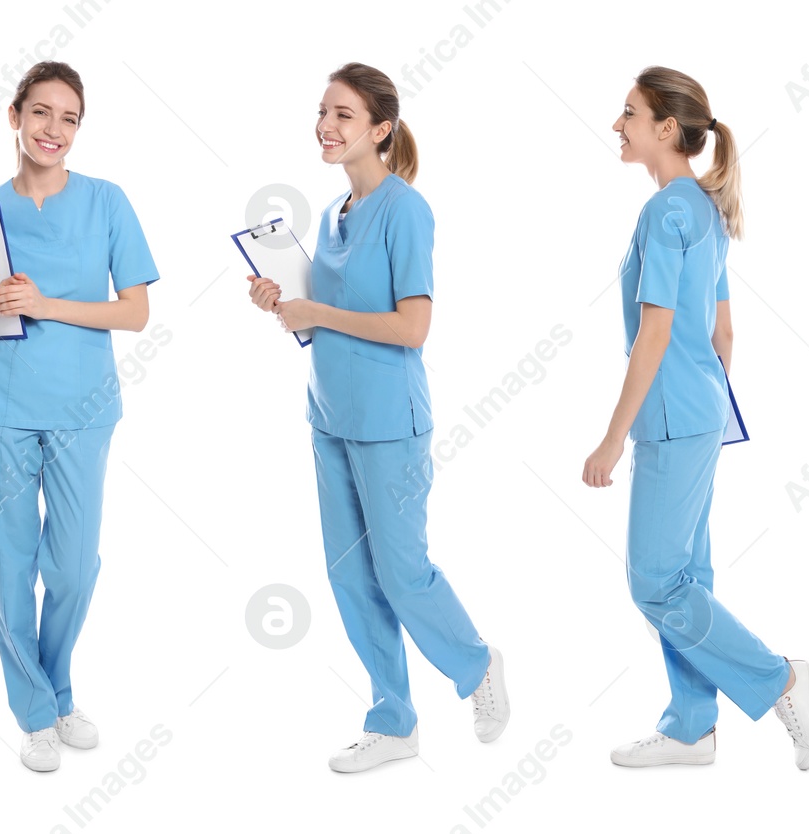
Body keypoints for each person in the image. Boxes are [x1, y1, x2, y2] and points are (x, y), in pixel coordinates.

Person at [246, 62, 509, 774]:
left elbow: (412, 327)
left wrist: (319, 312)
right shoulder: (334, 214)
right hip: (329, 415)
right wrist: (283, 302)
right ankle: (392, 721)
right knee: (349, 576)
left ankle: (477, 664)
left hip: (390, 421)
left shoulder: (406, 210)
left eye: (344, 116)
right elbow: (326, 317)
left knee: (401, 571)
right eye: (323, 113)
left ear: (381, 130)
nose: (326, 128)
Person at [583, 66, 809, 770]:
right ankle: (691, 725)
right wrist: (701, 404)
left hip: (671, 416)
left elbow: (655, 333)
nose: (617, 124)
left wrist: (612, 436)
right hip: (700, 410)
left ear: (666, 129)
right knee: (687, 576)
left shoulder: (666, 211)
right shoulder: (702, 207)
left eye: (628, 113)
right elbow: (723, 336)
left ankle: (779, 678)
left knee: (654, 582)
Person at [0, 61, 158, 773]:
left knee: (73, 565)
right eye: (41, 113)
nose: (53, 129)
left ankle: (58, 687)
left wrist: (46, 304)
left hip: (83, 409)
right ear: (15, 116)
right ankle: (36, 709)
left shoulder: (108, 203)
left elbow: (136, 311)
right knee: (12, 565)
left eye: (68, 118)